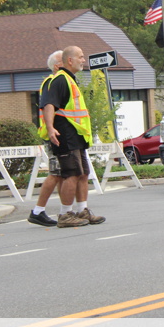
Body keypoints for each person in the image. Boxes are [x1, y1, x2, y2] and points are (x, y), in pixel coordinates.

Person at [39, 45, 105, 227]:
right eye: (81, 57)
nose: (83, 60)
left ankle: (82, 210)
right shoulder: (60, 80)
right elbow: (49, 105)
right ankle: (65, 214)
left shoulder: (70, 79)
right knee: (71, 174)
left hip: (76, 136)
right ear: (70, 60)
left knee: (83, 173)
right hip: (65, 135)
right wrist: (50, 128)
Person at [29, 50, 67, 226]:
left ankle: (65, 211)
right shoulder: (52, 82)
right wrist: (51, 129)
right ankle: (38, 211)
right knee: (56, 173)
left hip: (59, 133)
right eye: (64, 60)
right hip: (54, 134)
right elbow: (48, 107)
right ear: (57, 66)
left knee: (61, 174)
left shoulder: (60, 81)